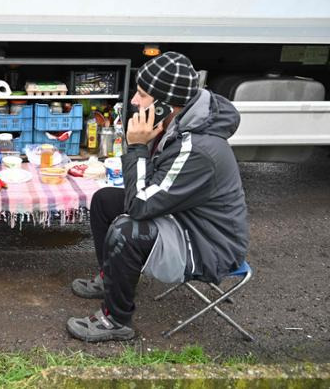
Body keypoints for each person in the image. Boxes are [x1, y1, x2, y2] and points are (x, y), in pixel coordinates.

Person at [67, 51, 248, 342]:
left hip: (206, 244)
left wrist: (137, 147)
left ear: (165, 104)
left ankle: (116, 321)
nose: (134, 102)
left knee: (127, 228)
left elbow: (140, 205)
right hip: (183, 217)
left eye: (141, 94)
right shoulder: (178, 125)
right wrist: (144, 148)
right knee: (104, 200)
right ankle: (109, 279)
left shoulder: (197, 148)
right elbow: (150, 187)